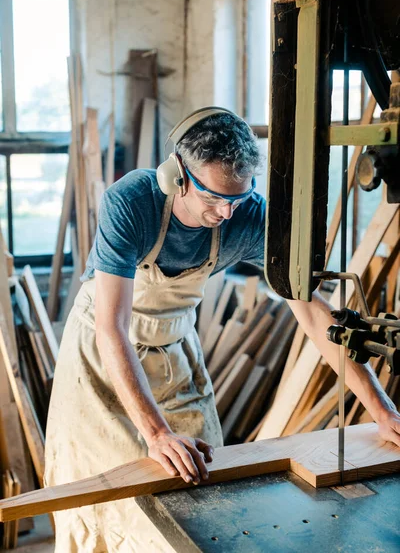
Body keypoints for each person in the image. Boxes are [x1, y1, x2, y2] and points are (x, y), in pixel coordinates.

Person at [45, 108, 400, 553]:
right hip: (101, 358)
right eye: (213, 198)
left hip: (175, 347)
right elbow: (111, 328)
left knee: (201, 492)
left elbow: (313, 315)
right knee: (98, 502)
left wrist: (381, 408)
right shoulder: (132, 202)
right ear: (177, 175)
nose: (226, 211)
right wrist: (156, 434)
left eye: (236, 197)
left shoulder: (246, 214)